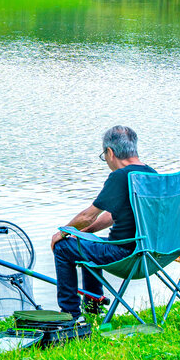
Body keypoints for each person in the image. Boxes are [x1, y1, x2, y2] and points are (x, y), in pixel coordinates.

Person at [50, 126, 156, 319]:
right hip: (154, 253)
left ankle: (69, 315)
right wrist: (86, 232)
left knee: (63, 247)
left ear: (110, 152)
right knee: (89, 240)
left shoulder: (121, 176)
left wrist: (62, 233)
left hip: (125, 254)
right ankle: (93, 307)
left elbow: (87, 216)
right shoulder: (152, 174)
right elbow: (109, 215)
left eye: (104, 155)